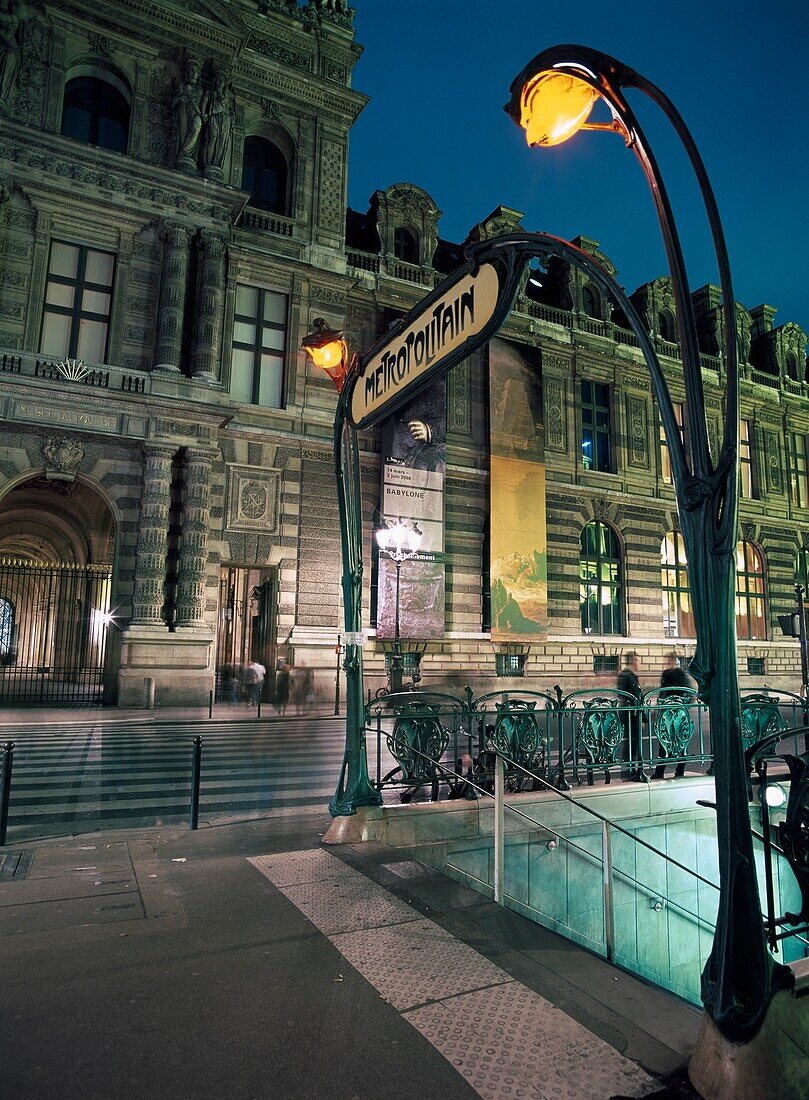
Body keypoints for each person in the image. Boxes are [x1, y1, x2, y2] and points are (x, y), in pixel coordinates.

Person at [653, 661, 696, 779]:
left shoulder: (667, 676)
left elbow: (662, 696)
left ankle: (659, 772)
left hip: (667, 716)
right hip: (681, 716)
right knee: (682, 742)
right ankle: (679, 771)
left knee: (664, 743)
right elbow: (691, 696)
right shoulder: (682, 678)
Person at [617, 652, 644, 780]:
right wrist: (642, 717)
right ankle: (630, 772)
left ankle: (629, 770)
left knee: (630, 744)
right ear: (633, 661)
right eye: (638, 660)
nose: (640, 663)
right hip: (631, 715)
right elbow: (636, 697)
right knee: (632, 744)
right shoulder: (629, 677)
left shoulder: (626, 675)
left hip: (627, 713)